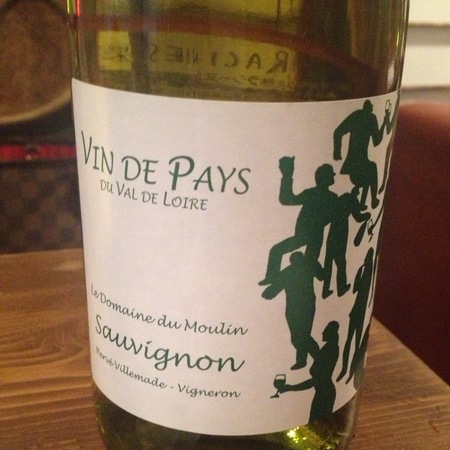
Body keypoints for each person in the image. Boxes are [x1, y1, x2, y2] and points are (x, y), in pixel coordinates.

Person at [259, 159, 338, 286]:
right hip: (307, 235)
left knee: (304, 263)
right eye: (331, 175)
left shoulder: (327, 197)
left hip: (312, 235)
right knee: (303, 261)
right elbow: (287, 200)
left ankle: (321, 275)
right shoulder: (316, 194)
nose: (333, 177)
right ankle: (273, 278)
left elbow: (287, 199)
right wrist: (287, 175)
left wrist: (287, 175)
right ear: (325, 178)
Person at [262, 251, 323, 370]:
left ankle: (314, 358)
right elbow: (322, 276)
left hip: (298, 308)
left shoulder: (293, 270)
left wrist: (266, 293)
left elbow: (271, 292)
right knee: (300, 336)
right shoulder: (300, 269)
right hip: (301, 307)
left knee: (301, 336)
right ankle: (307, 360)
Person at [276, 321, 340, 422]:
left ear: (331, 333)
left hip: (324, 396)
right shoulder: (328, 349)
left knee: (319, 425)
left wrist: (290, 387)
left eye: (326, 330)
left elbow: (316, 380)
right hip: (324, 393)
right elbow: (315, 354)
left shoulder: (329, 350)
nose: (323, 332)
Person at [333, 99, 390, 210]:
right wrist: (337, 152)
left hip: (356, 162)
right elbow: (377, 140)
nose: (372, 108)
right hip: (355, 163)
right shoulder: (368, 118)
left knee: (370, 171)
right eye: (371, 107)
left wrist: (337, 152)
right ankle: (372, 200)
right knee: (371, 170)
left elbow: (338, 132)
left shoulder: (359, 116)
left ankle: (367, 202)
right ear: (368, 108)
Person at [322, 187, 370, 299]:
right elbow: (358, 217)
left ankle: (325, 290)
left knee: (328, 261)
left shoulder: (341, 198)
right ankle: (341, 287)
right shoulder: (353, 200)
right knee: (341, 262)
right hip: (341, 232)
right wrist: (367, 215)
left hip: (332, 231)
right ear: (357, 193)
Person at [337, 248, 374, 383]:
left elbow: (366, 290)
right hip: (354, 311)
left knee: (357, 342)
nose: (365, 260)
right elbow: (355, 289)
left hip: (360, 312)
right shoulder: (363, 270)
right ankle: (344, 370)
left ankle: (351, 371)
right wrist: (359, 273)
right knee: (349, 341)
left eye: (367, 258)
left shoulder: (369, 271)